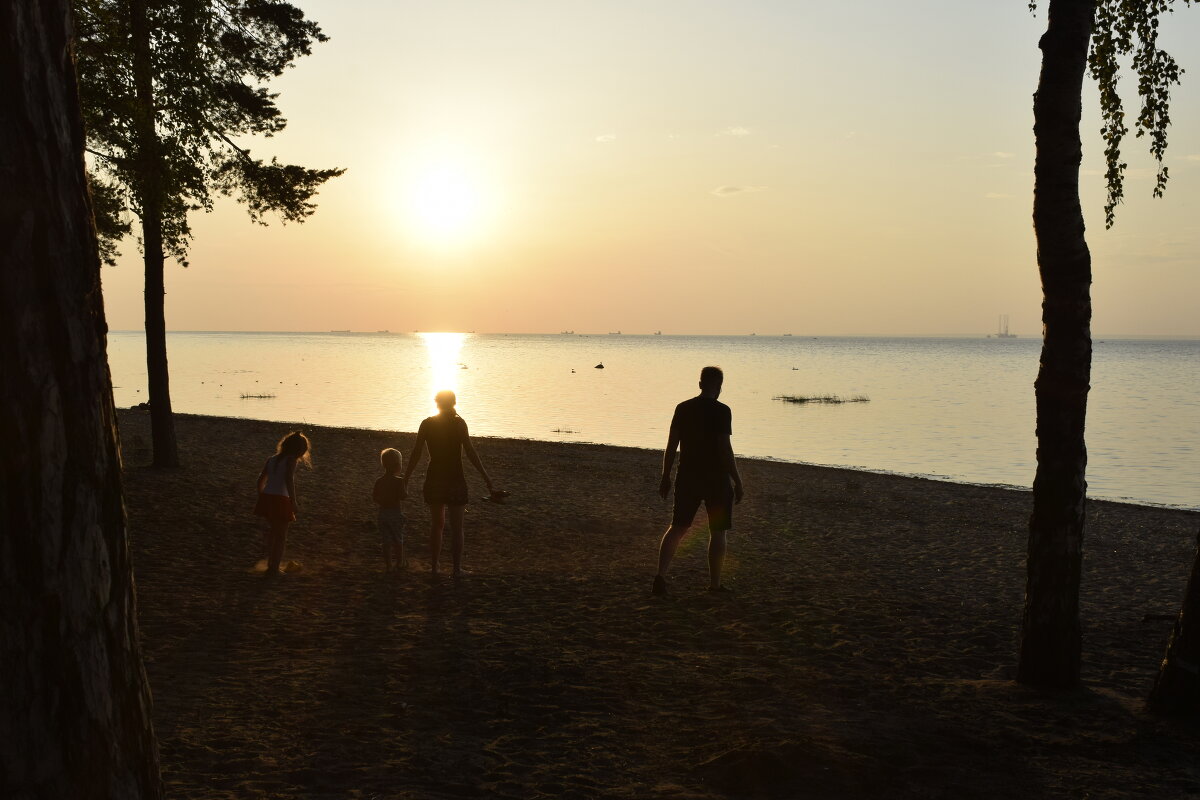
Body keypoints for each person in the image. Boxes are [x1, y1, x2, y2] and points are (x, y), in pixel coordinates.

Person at [654, 366, 744, 594]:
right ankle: (714, 584)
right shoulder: (722, 411)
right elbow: (725, 449)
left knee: (677, 527)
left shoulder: (683, 408)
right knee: (718, 531)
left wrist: (666, 476)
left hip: (687, 476)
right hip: (716, 479)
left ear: (700, 384)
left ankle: (660, 577)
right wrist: (738, 481)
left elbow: (671, 446)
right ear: (719, 387)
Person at [403, 390, 500, 577]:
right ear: (453, 403)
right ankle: (456, 569)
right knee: (457, 527)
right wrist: (486, 478)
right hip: (455, 478)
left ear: (437, 403)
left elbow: (416, 453)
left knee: (436, 525)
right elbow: (471, 452)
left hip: (435, 478)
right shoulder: (458, 423)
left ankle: (434, 568)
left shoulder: (427, 424)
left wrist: (407, 478)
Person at [254, 431, 311, 576]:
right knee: (281, 536)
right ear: (299, 450)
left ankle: (270, 564)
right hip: (280, 499)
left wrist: (262, 496)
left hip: (267, 497)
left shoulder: (271, 459)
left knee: (273, 533)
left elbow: (260, 480)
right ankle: (274, 568)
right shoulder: (291, 460)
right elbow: (288, 480)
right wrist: (293, 501)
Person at [373, 448, 408, 574]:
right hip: (395, 513)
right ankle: (400, 562)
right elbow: (403, 496)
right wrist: (405, 487)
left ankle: (388, 565)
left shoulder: (379, 481)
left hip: (382, 514)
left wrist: (383, 501)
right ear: (398, 465)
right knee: (398, 540)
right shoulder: (399, 481)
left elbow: (374, 497)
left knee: (386, 541)